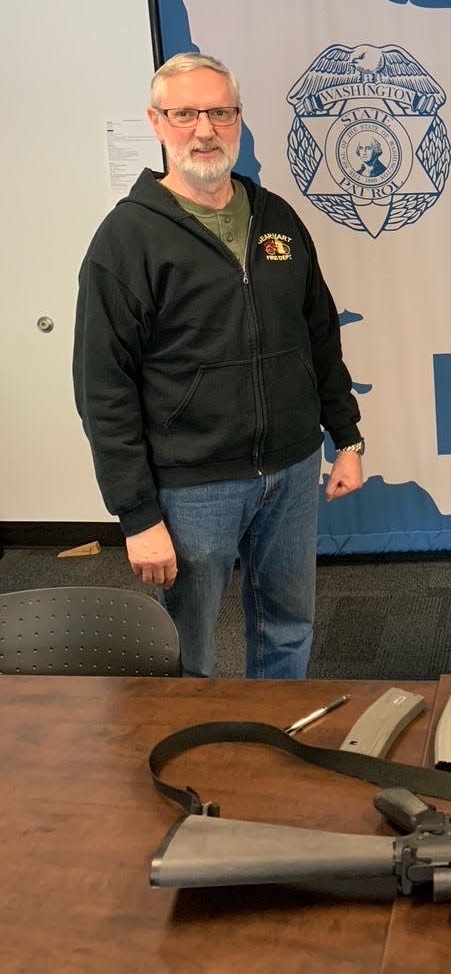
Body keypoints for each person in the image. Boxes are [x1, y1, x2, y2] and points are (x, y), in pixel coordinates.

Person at [73, 52, 365, 678]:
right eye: (185, 114)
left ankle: (277, 746)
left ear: (238, 120)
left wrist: (348, 437)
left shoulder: (277, 218)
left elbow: (319, 335)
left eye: (220, 112)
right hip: (192, 486)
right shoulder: (125, 241)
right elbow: (104, 392)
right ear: (157, 122)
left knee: (290, 627)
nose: (204, 129)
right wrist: (138, 516)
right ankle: (195, 758)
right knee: (188, 651)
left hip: (291, 468)